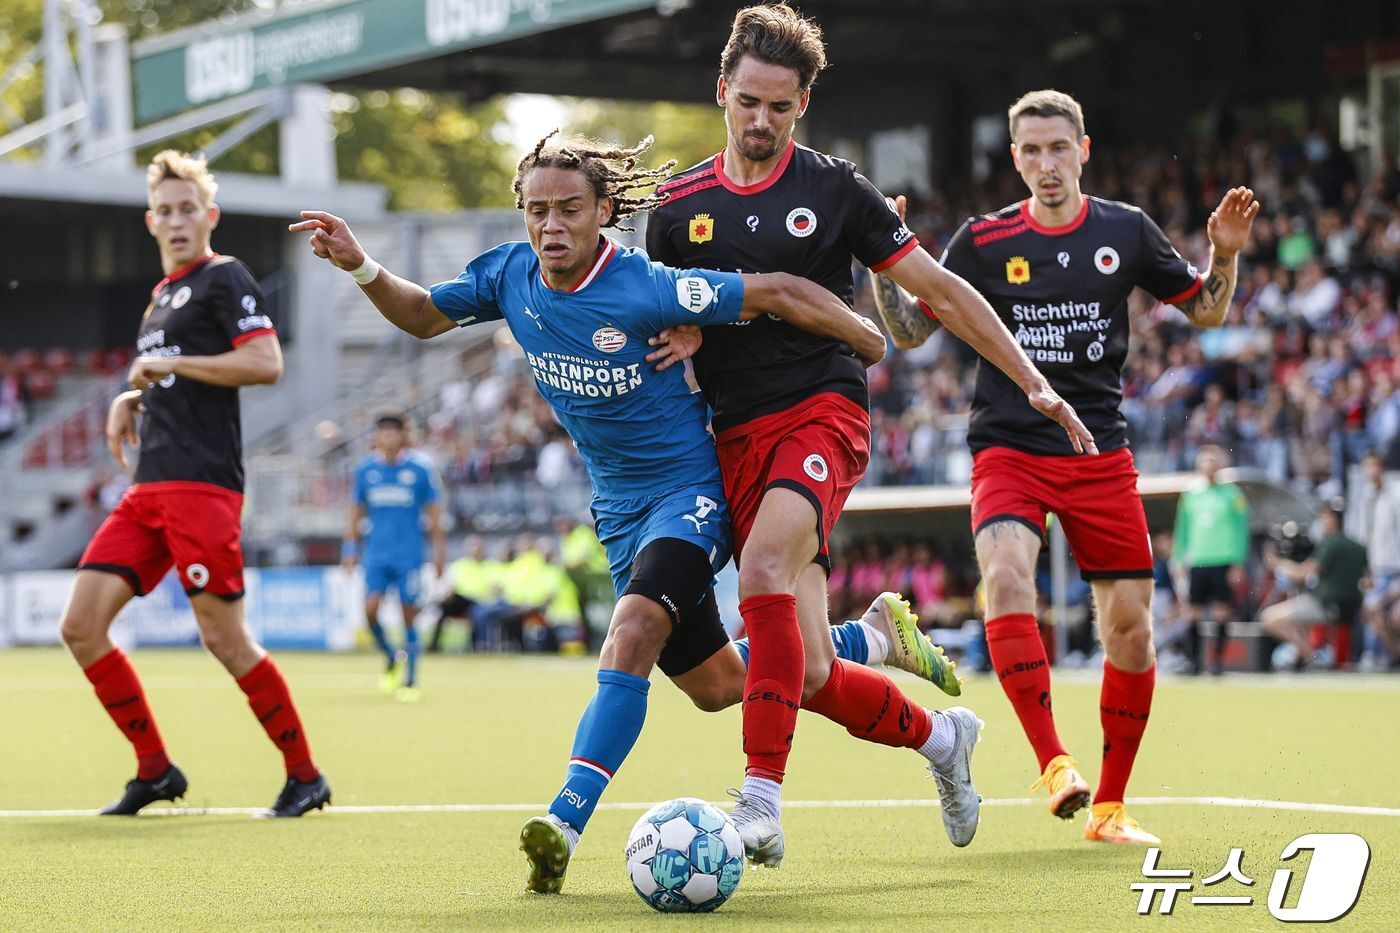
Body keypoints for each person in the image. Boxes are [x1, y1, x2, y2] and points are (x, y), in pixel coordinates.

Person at [292, 133, 974, 892]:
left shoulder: (649, 285)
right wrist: (357, 263)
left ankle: (562, 820)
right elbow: (420, 315)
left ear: (604, 212)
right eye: (538, 210)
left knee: (634, 627)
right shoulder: (510, 276)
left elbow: (778, 288)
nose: (552, 225)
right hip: (619, 512)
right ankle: (886, 661)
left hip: (690, 497)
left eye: (569, 209)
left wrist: (865, 337)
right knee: (722, 686)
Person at [643, 4, 1094, 865]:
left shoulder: (836, 190)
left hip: (822, 410)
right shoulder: (675, 209)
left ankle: (760, 801)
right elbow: (667, 314)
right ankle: (942, 739)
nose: (761, 121)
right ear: (721, 93)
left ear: (803, 102)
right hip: (734, 431)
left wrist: (1032, 379)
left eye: (780, 106)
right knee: (805, 669)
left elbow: (943, 290)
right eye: (748, 102)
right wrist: (690, 332)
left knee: (767, 568)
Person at [872, 89, 1259, 844]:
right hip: (1010, 445)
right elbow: (914, 330)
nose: (1046, 165)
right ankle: (1054, 762)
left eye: (1059, 149)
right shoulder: (983, 241)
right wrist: (886, 264)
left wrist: (1229, 253)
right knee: (1008, 576)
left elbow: (1207, 310)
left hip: (1097, 450)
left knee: (1131, 633)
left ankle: (1110, 808)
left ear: (1082, 151)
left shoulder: (1125, 230)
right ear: (1015, 159)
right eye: (1031, 151)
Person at [59, 151, 330, 817]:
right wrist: (132, 397)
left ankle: (305, 775)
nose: (178, 221)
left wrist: (167, 365)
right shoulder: (159, 297)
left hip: (202, 487)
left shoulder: (223, 277)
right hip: (147, 488)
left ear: (209, 216)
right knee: (80, 626)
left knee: (224, 640)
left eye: (190, 209)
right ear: (152, 222)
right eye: (167, 212)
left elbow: (264, 362)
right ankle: (155, 769)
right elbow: (166, 373)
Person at [344, 411, 445, 700]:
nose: (388, 437)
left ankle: (411, 680)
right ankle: (391, 655)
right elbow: (354, 513)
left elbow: (435, 516)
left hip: (409, 555)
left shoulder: (420, 469)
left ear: (403, 436)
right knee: (370, 610)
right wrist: (349, 550)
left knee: (408, 615)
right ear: (376, 437)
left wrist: (439, 556)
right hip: (376, 554)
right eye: (383, 432)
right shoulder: (365, 470)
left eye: (393, 432)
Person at [1172, 445, 1251, 674]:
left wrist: (1238, 561)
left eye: (1214, 460)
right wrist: (1179, 559)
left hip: (1223, 560)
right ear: (1199, 464)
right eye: (1206, 460)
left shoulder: (1233, 494)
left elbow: (1241, 530)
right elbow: (1182, 529)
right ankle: (1194, 662)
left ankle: (1217, 662)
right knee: (1192, 612)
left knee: (1221, 612)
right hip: (1198, 559)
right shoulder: (1190, 494)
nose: (1210, 465)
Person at [1261, 502, 1369, 669]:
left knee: (1269, 618)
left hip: (1326, 604)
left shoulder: (1330, 543)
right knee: (1299, 622)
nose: (1321, 521)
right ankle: (1304, 658)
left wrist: (1278, 563)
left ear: (1333, 519)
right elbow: (1368, 581)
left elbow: (1303, 574)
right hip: (1352, 606)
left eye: (1324, 517)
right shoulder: (1358, 546)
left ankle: (1312, 658)